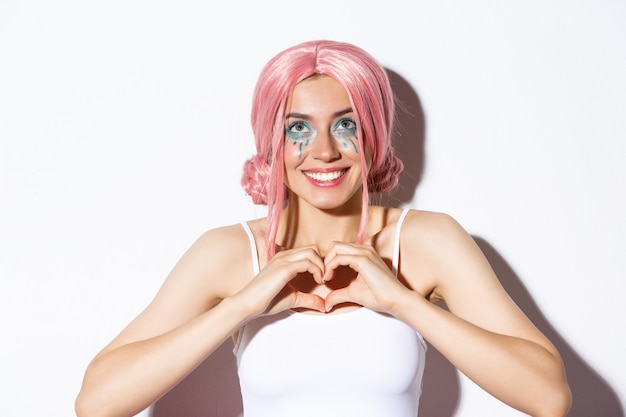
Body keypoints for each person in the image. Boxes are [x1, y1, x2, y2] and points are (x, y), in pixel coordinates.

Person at [75, 40, 571, 417]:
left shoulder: (426, 241)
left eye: (347, 124)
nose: (325, 151)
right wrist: (243, 305)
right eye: (298, 128)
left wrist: (401, 302)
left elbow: (549, 396)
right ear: (273, 141)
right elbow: (96, 402)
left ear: (373, 133)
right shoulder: (229, 251)